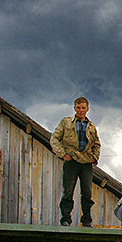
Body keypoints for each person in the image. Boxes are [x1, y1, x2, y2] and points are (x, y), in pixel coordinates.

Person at [50, 96, 101, 226]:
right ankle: (66, 219)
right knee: (68, 191)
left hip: (86, 162)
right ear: (74, 108)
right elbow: (54, 139)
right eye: (78, 107)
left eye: (83, 108)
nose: (81, 110)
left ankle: (87, 220)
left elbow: (97, 144)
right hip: (71, 160)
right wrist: (63, 154)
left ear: (87, 109)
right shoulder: (66, 122)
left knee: (87, 193)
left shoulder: (91, 126)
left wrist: (95, 157)